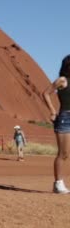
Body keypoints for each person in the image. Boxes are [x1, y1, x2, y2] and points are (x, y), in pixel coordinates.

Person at [43, 55, 70, 194]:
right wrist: (53, 111)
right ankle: (58, 184)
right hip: (65, 118)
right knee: (63, 153)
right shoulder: (62, 80)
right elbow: (46, 93)